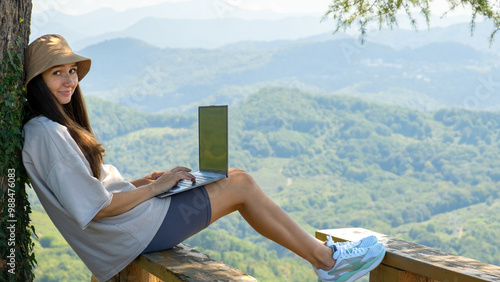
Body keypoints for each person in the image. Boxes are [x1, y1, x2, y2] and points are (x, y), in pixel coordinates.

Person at [22, 34, 386, 282]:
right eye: (57, 73)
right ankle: (329, 262)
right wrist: (157, 189)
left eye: (71, 71)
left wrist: (142, 182)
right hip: (131, 232)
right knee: (239, 183)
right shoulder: (47, 133)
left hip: (131, 226)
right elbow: (96, 208)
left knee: (233, 175)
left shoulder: (50, 128)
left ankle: (325, 256)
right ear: (38, 81)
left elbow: (87, 190)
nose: (69, 80)